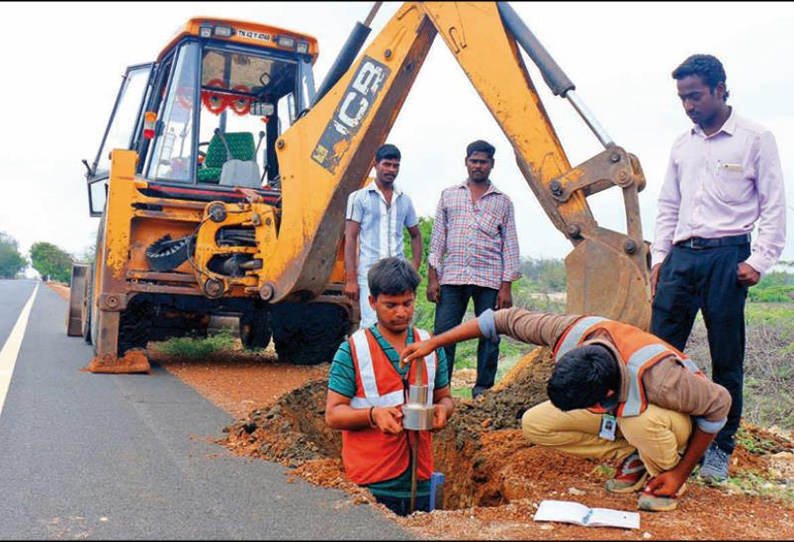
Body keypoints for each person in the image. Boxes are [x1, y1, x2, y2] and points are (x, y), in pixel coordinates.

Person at [400, 307, 732, 512]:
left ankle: (664, 473)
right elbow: (498, 320)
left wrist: (681, 471)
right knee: (535, 423)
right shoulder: (567, 332)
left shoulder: (662, 379)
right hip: (625, 409)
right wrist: (434, 342)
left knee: (641, 422)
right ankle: (631, 456)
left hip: (668, 420)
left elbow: (720, 405)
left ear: (608, 393)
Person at [650, 54, 787, 483]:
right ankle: (653, 438)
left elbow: (775, 204)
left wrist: (759, 261)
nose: (688, 105)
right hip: (681, 258)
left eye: (695, 95)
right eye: (682, 98)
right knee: (657, 352)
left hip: (728, 259)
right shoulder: (681, 144)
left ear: (720, 89)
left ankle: (719, 447)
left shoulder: (755, 138)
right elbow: (668, 204)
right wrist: (659, 259)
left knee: (727, 356)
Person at [325, 257, 453, 517]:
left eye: (407, 303)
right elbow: (333, 413)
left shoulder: (429, 346)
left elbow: (446, 398)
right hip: (372, 483)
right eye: (390, 305)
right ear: (372, 303)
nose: (401, 312)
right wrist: (373, 415)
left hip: (421, 478)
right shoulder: (353, 350)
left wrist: (443, 411)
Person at [427, 140, 521, 399]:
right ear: (466, 162)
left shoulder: (503, 201)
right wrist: (433, 278)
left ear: (492, 164)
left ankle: (483, 390)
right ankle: (440, 389)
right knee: (444, 334)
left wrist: (506, 285)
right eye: (474, 160)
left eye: (483, 161)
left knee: (490, 334)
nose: (478, 165)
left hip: (489, 279)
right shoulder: (449, 194)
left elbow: (509, 245)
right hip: (453, 277)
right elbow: (437, 239)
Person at [345, 144, 423, 329]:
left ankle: (395, 359)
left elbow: (416, 235)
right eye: (387, 164)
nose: (391, 170)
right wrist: (351, 279)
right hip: (369, 273)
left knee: (398, 322)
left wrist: (414, 268)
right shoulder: (358, 198)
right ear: (375, 164)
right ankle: (369, 359)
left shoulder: (404, 200)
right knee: (371, 324)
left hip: (398, 274)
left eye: (395, 166)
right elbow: (350, 238)